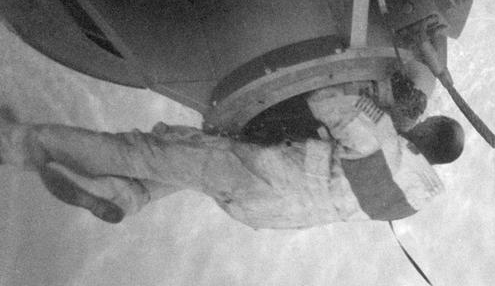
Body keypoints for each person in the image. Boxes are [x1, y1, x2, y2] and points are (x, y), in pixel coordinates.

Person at [0, 85, 465, 229]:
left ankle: (19, 144)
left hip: (261, 174)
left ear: (425, 131)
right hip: (269, 212)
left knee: (142, 150)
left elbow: (329, 98)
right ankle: (125, 196)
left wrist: (384, 108)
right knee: (191, 157)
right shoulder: (408, 194)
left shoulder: (385, 138)